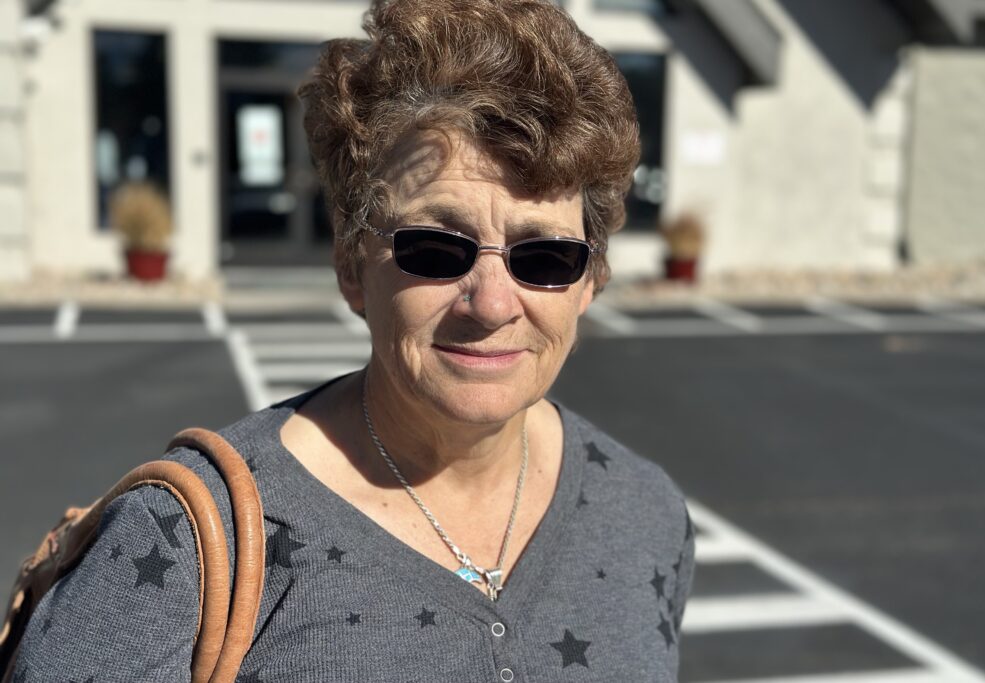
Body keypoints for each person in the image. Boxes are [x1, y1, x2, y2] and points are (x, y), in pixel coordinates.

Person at [11, 0, 695, 680]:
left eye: (545, 257)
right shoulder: (175, 548)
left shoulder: (644, 512)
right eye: (435, 248)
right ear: (350, 266)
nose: (491, 303)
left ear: (591, 280)